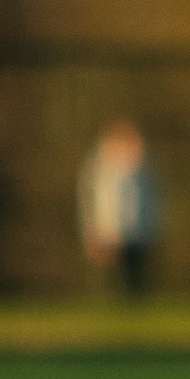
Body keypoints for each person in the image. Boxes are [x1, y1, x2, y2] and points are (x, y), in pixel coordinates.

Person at [77, 120, 158, 293]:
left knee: (134, 274)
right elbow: (90, 201)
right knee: (111, 275)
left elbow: (151, 202)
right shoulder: (98, 169)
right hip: (109, 230)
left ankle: (133, 305)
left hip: (137, 231)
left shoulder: (145, 170)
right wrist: (92, 229)